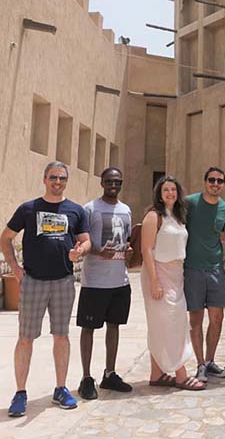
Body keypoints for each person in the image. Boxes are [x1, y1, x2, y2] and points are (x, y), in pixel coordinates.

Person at [3, 161, 91, 417]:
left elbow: (86, 240)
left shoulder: (75, 210)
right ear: (44, 179)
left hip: (63, 282)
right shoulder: (28, 209)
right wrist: (15, 269)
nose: (58, 182)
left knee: (61, 336)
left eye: (62, 178)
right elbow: (5, 237)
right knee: (25, 338)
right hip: (33, 282)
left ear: (66, 180)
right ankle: (20, 393)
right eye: (53, 177)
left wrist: (80, 251)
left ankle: (60, 389)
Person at [141, 175, 204, 391]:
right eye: (166, 189)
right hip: (158, 273)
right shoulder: (153, 215)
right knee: (171, 325)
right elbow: (146, 249)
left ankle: (157, 373)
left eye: (173, 190)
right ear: (159, 193)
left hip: (176, 275)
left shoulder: (177, 216)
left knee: (165, 325)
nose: (170, 193)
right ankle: (181, 375)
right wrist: (155, 282)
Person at [77, 167, 133, 400]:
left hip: (120, 281)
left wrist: (129, 251)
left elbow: (128, 240)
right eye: (109, 181)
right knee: (88, 329)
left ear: (121, 183)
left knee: (114, 326)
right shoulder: (90, 209)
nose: (113, 185)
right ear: (102, 183)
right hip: (94, 282)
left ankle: (109, 374)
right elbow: (84, 240)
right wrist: (99, 251)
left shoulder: (126, 210)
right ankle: (86, 378)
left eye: (117, 181)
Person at [184, 167, 225, 382]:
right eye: (211, 179)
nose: (215, 183)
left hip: (215, 269)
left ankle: (210, 361)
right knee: (196, 319)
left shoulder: (224, 209)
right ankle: (200, 363)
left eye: (219, 181)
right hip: (192, 269)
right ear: (205, 181)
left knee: (217, 318)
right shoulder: (190, 203)